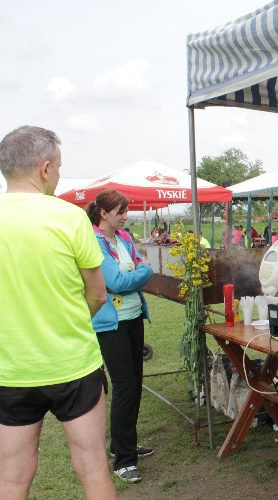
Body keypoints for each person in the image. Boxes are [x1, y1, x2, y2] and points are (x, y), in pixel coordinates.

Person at [0, 125, 116, 499]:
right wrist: (66, 322)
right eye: (60, 167)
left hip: (10, 368)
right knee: (93, 467)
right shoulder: (69, 217)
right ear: (45, 168)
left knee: (11, 477)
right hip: (73, 363)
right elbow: (97, 294)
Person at [86, 190, 154, 483]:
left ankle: (123, 442)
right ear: (103, 214)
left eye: (126, 211)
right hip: (110, 325)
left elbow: (132, 271)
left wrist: (137, 274)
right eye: (120, 212)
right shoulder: (95, 242)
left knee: (135, 384)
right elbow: (115, 282)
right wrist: (144, 272)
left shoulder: (123, 239)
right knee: (125, 386)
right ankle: (124, 461)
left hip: (133, 317)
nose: (126, 217)